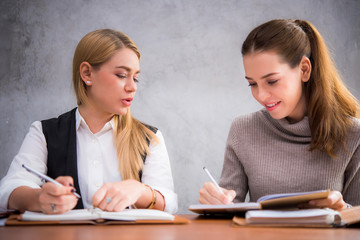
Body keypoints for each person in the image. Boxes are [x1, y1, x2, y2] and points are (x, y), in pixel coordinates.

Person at [0, 29, 177, 214]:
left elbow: (169, 202)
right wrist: (39, 199)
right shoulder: (43, 132)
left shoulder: (150, 137)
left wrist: (141, 191)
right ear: (87, 74)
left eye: (136, 78)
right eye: (122, 75)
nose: (132, 87)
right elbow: (9, 189)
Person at [199, 19, 360, 210]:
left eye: (272, 81)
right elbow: (230, 208)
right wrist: (217, 203)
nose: (261, 95)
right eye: (252, 83)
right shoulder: (242, 129)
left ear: (304, 69)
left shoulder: (353, 134)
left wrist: (343, 210)